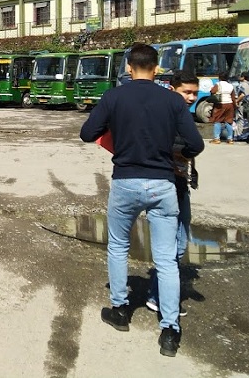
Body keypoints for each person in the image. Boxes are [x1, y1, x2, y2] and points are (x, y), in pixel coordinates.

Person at [80, 43, 204, 358]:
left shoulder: (114, 96)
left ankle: (120, 311)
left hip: (126, 181)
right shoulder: (172, 100)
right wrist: (181, 156)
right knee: (165, 259)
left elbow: (87, 132)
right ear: (157, 68)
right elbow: (195, 143)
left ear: (129, 68)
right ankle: (170, 331)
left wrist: (115, 126)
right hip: (163, 184)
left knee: (119, 247)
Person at [146, 70, 201, 317]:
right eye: (186, 92)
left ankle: (161, 293)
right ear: (173, 90)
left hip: (179, 183)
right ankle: (161, 297)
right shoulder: (170, 115)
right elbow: (173, 144)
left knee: (178, 239)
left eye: (194, 93)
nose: (190, 98)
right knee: (174, 244)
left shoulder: (181, 114)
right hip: (170, 183)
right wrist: (185, 152)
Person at [209, 71, 237, 144]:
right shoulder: (230, 86)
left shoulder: (218, 85)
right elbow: (233, 97)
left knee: (217, 121)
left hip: (220, 105)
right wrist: (235, 106)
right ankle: (230, 139)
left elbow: (212, 91)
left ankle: (217, 139)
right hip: (229, 105)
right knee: (229, 121)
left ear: (219, 77)